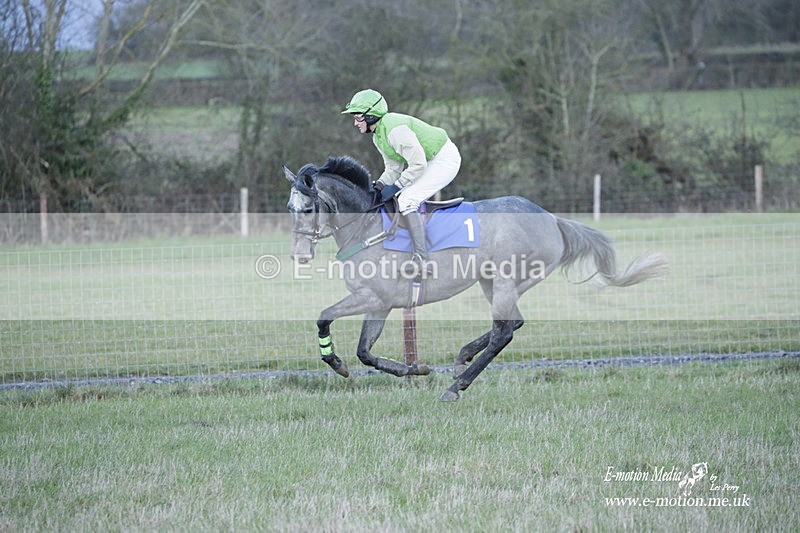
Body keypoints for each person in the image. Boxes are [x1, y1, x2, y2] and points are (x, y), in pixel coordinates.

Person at [342, 88, 461, 275]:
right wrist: (379, 186)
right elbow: (393, 169)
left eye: (357, 117)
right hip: (428, 160)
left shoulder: (394, 129)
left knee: (406, 200)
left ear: (371, 116)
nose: (355, 122)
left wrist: (397, 186)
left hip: (443, 160)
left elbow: (418, 164)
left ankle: (423, 259)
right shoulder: (378, 136)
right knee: (400, 197)